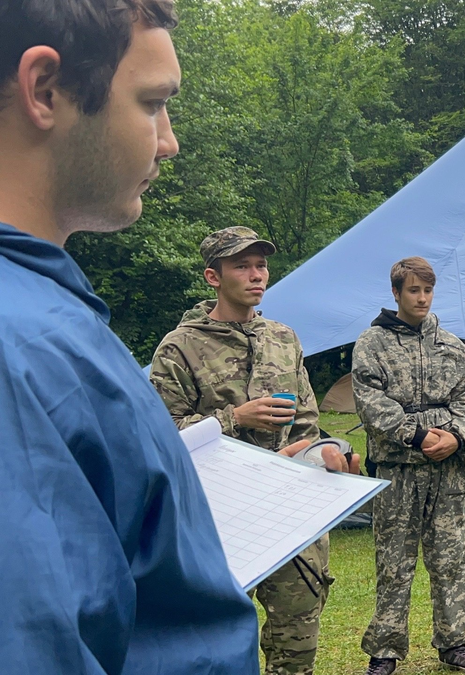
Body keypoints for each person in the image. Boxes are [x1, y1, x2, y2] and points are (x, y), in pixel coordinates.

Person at [0, 0, 282, 671]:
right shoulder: (22, 349)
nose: (169, 140)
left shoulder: (47, 314)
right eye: (153, 102)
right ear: (45, 90)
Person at [149, 226, 354, 674]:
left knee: (296, 642)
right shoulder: (180, 347)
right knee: (216, 644)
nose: (256, 274)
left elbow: (308, 425)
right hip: (219, 520)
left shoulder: (283, 338)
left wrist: (327, 453)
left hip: (289, 515)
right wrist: (233, 420)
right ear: (213, 276)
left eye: (261, 265)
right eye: (241, 265)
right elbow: (159, 439)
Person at [354, 256, 465, 675]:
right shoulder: (372, 344)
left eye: (428, 290)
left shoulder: (451, 347)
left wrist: (457, 438)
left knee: (450, 558)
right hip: (398, 470)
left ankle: (454, 643)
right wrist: (416, 435)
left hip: (447, 471)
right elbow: (370, 401)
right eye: (413, 290)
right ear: (396, 293)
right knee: (394, 560)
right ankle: (386, 649)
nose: (422, 298)